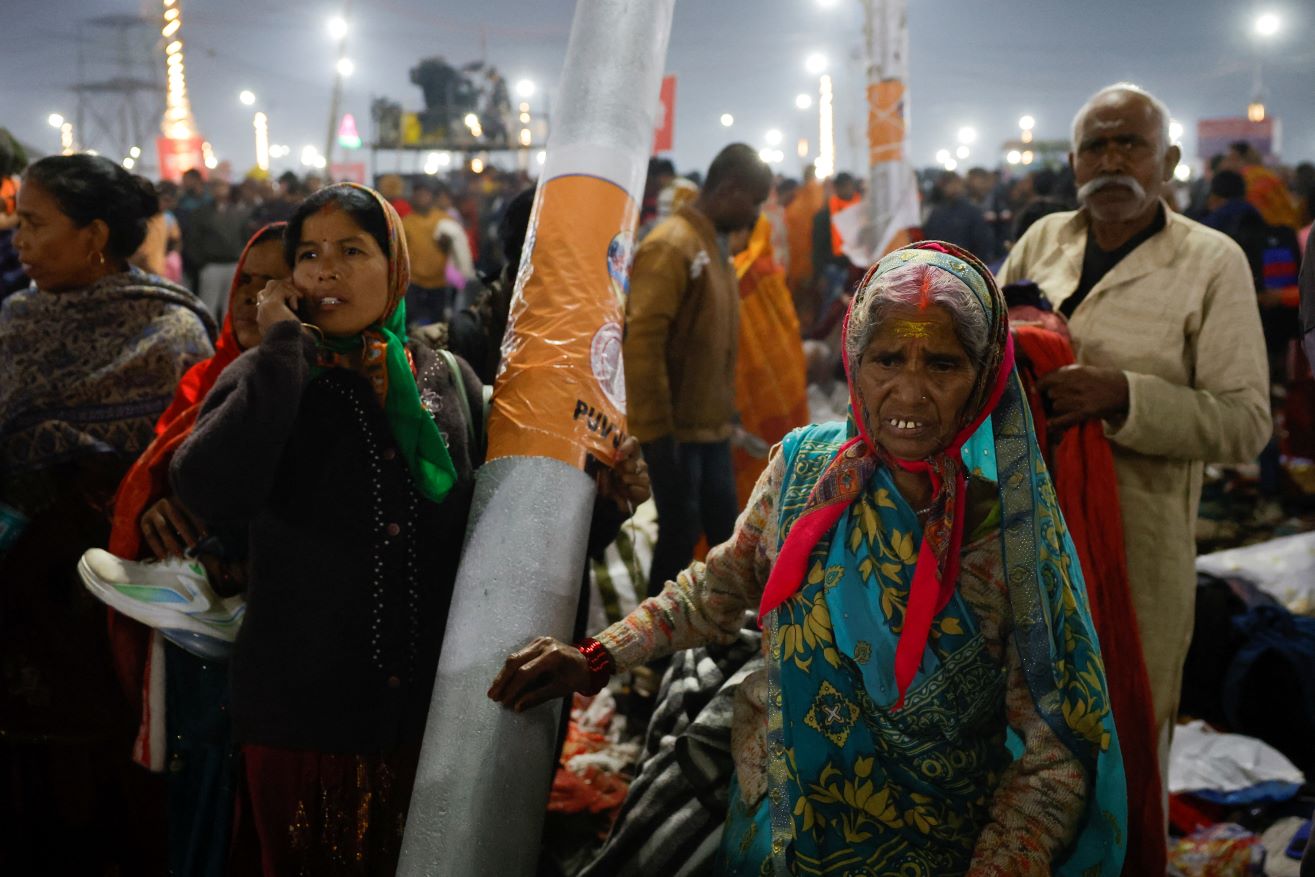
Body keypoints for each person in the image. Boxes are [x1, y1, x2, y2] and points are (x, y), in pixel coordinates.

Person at [492, 240, 1127, 876]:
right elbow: (719, 586)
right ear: (855, 360)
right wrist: (597, 655)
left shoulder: (1013, 538)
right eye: (887, 359)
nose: (909, 392)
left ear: (984, 378)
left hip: (936, 849)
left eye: (943, 364)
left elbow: (1055, 757)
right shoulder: (802, 469)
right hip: (778, 833)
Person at [997, 82, 1270, 801]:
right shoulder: (1041, 241)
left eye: (1131, 145)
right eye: (1096, 145)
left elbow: (1245, 422)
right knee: (1017, 735)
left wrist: (1124, 396)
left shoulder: (1211, 261)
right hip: (1022, 531)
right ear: (1073, 161)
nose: (1111, 161)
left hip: (1139, 546)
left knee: (1122, 739)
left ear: (1168, 161)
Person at [0, 153, 215, 875]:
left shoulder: (173, 328)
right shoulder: (16, 321)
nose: (18, 240)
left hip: (130, 589)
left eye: (35, 223)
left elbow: (194, 462)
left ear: (94, 235)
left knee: (121, 768)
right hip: (22, 588)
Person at [79, 223, 290, 877]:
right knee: (199, 798)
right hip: (192, 654)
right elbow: (151, 479)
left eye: (275, 282)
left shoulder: (324, 388)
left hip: (281, 647)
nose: (253, 296)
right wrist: (156, 508)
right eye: (247, 280)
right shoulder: (204, 378)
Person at [624, 143, 772, 597]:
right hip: (677, 434)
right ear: (730, 190)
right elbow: (642, 342)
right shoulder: (673, 244)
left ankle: (718, 626)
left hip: (709, 430)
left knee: (725, 532)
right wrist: (656, 435)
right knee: (680, 533)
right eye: (754, 202)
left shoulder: (711, 246)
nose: (755, 215)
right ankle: (654, 636)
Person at [402, 182, 454, 327]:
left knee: (437, 322)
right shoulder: (406, 222)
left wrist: (447, 242)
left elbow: (455, 247)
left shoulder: (444, 219)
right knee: (410, 320)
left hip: (439, 281)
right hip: (414, 281)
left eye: (425, 194)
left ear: (432, 197)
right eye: (418, 194)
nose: (421, 198)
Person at [923, 171, 996, 262]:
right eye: (949, 184)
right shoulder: (936, 211)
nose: (952, 187)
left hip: (956, 263)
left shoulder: (971, 211)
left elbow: (981, 241)